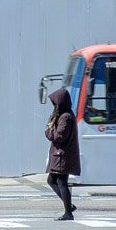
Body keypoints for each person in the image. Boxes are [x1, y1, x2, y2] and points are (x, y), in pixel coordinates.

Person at [44, 86, 80, 220]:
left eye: (55, 103)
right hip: (59, 154)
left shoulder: (65, 117)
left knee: (61, 182)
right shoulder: (65, 115)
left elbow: (60, 135)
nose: (54, 106)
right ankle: (68, 206)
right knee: (52, 180)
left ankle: (68, 212)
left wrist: (48, 132)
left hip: (62, 155)